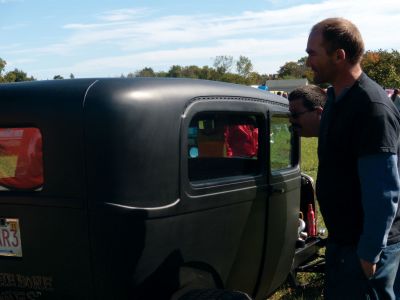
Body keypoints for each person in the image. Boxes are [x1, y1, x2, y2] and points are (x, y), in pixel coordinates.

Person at [306, 18, 400, 299]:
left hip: (366, 251)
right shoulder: (336, 98)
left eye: (312, 53)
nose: (308, 61)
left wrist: (369, 254)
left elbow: (384, 190)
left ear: (339, 55)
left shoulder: (371, 108)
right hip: (343, 242)